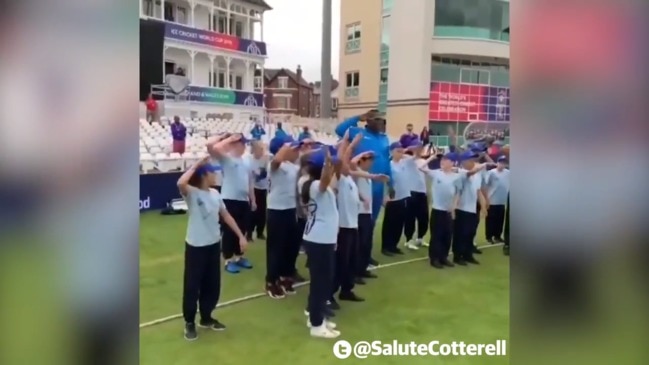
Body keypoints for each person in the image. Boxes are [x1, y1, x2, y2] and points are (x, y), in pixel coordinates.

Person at [176, 157, 248, 341]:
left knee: (212, 285)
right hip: (196, 247)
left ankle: (206, 317)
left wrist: (240, 235)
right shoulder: (192, 193)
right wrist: (197, 165)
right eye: (212, 172)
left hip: (213, 245)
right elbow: (180, 182)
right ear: (204, 175)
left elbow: (226, 215)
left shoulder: (216, 194)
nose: (216, 175)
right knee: (192, 286)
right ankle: (190, 322)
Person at [300, 147, 341, 339]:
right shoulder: (315, 185)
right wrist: (327, 165)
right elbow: (325, 181)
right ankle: (317, 325)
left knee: (323, 281)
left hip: (324, 239)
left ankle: (316, 317)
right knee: (320, 283)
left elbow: (331, 180)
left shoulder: (316, 185)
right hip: (318, 240)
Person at [208, 134, 256, 274]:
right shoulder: (226, 158)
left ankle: (239, 256)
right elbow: (213, 147)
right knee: (229, 231)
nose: (244, 147)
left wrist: (252, 199)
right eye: (242, 143)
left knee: (242, 229)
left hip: (243, 200)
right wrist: (228, 139)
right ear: (236, 144)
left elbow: (250, 182)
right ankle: (228, 259)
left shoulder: (246, 161)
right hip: (229, 199)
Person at [334, 110, 392, 225]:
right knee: (357, 219)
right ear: (369, 121)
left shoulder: (384, 139)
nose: (381, 123)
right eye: (378, 120)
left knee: (372, 221)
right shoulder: (357, 132)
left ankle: (367, 242)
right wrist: (358, 117)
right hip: (360, 183)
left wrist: (390, 184)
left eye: (382, 120)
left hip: (378, 186)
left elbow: (386, 162)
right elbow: (339, 129)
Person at [264, 136, 303, 299]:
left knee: (290, 246)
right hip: (276, 210)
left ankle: (286, 276)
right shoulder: (275, 165)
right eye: (293, 149)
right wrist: (286, 146)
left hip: (291, 210)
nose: (297, 152)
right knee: (276, 248)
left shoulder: (293, 167)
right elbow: (276, 161)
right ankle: (271, 281)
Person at [331, 132, 365, 306]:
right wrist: (348, 144)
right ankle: (330, 294)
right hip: (342, 227)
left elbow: (347, 161)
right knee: (340, 263)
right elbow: (340, 160)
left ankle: (346, 290)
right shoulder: (339, 179)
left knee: (352, 260)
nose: (348, 161)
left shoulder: (350, 178)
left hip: (353, 225)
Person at [350, 151, 388, 275]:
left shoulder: (366, 174)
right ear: (363, 161)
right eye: (369, 160)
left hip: (367, 212)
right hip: (360, 213)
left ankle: (363, 268)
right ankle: (356, 271)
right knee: (360, 244)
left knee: (366, 242)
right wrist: (362, 154)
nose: (371, 163)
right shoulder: (357, 173)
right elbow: (352, 163)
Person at [452, 151, 489, 266]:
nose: (473, 162)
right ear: (463, 161)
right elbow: (470, 173)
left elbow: (478, 192)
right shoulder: (461, 173)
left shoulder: (477, 176)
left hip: (472, 209)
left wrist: (483, 207)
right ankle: (458, 256)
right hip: (461, 209)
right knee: (460, 234)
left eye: (474, 159)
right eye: (470, 160)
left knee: (470, 233)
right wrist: (481, 166)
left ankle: (468, 254)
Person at [381, 142, 410, 256]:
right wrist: (385, 196)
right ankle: (386, 246)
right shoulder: (388, 165)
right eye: (398, 151)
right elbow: (385, 182)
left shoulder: (404, 163)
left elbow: (415, 156)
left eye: (401, 151)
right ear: (392, 151)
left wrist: (405, 152)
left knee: (399, 223)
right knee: (389, 223)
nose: (400, 153)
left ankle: (394, 245)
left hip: (403, 197)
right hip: (392, 198)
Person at [402, 139, 430, 250]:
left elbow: (426, 176)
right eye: (418, 147)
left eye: (421, 147)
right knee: (410, 217)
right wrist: (412, 149)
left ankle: (420, 238)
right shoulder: (407, 160)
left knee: (424, 217)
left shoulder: (423, 162)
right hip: (411, 192)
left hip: (422, 193)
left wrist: (428, 192)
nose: (420, 149)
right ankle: (409, 240)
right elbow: (407, 154)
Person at [246, 141, 270, 241]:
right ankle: (249, 234)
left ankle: (260, 232)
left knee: (262, 212)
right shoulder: (249, 160)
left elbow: (264, 173)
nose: (261, 152)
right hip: (253, 188)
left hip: (262, 188)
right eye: (259, 150)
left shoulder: (265, 159)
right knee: (252, 212)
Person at [485, 155, 510, 244]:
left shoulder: (508, 173)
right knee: (491, 220)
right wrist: (486, 198)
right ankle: (489, 236)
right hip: (492, 200)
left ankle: (497, 236)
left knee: (500, 220)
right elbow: (486, 185)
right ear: (497, 163)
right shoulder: (492, 173)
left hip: (502, 201)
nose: (502, 165)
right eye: (500, 163)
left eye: (504, 163)